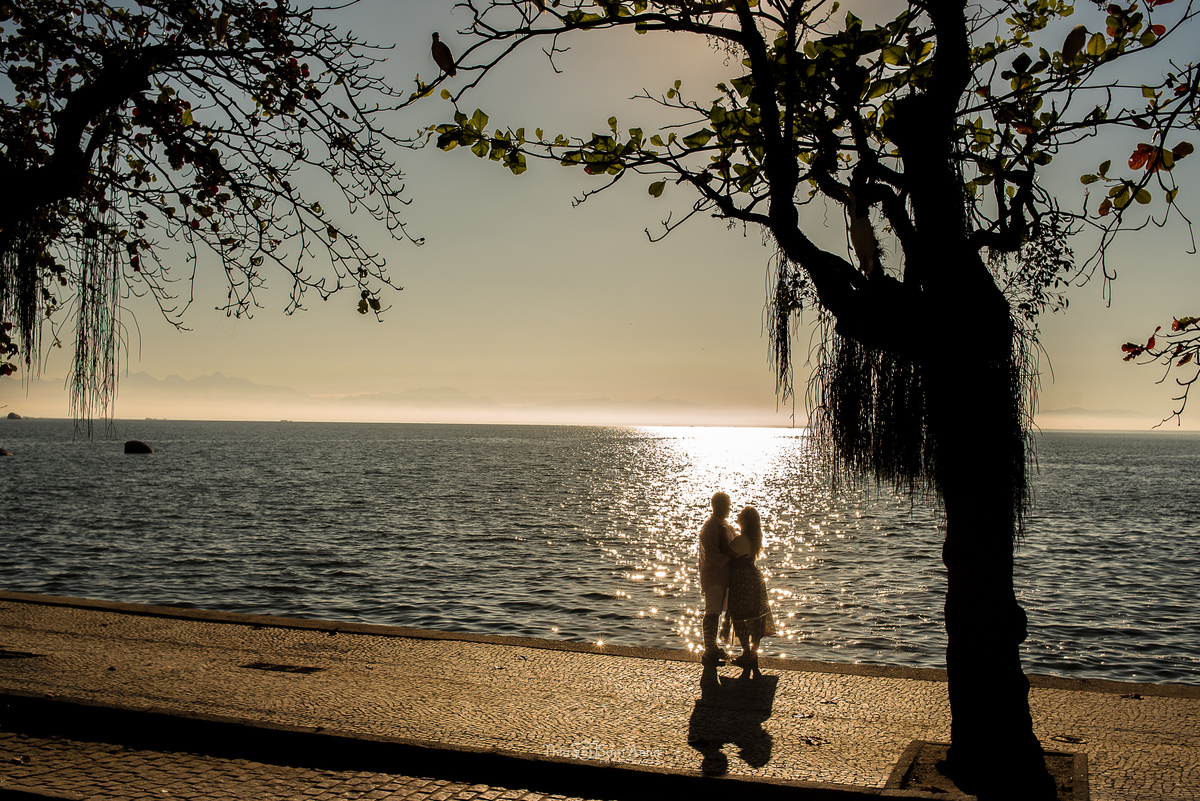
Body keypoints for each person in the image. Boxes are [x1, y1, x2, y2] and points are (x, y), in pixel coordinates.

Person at [726, 505, 776, 668]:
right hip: (753, 577)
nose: (737, 514)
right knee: (755, 615)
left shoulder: (740, 540)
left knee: (739, 615)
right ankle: (753, 653)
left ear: (745, 520)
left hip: (741, 579)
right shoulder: (754, 540)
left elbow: (726, 553)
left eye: (741, 513)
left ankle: (747, 653)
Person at [697, 491, 736, 662]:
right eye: (727, 505)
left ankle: (713, 647)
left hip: (722, 575)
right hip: (713, 575)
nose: (729, 508)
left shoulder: (724, 525)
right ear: (718, 506)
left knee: (717, 612)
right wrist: (730, 560)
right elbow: (712, 554)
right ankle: (709, 651)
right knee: (712, 612)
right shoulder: (711, 526)